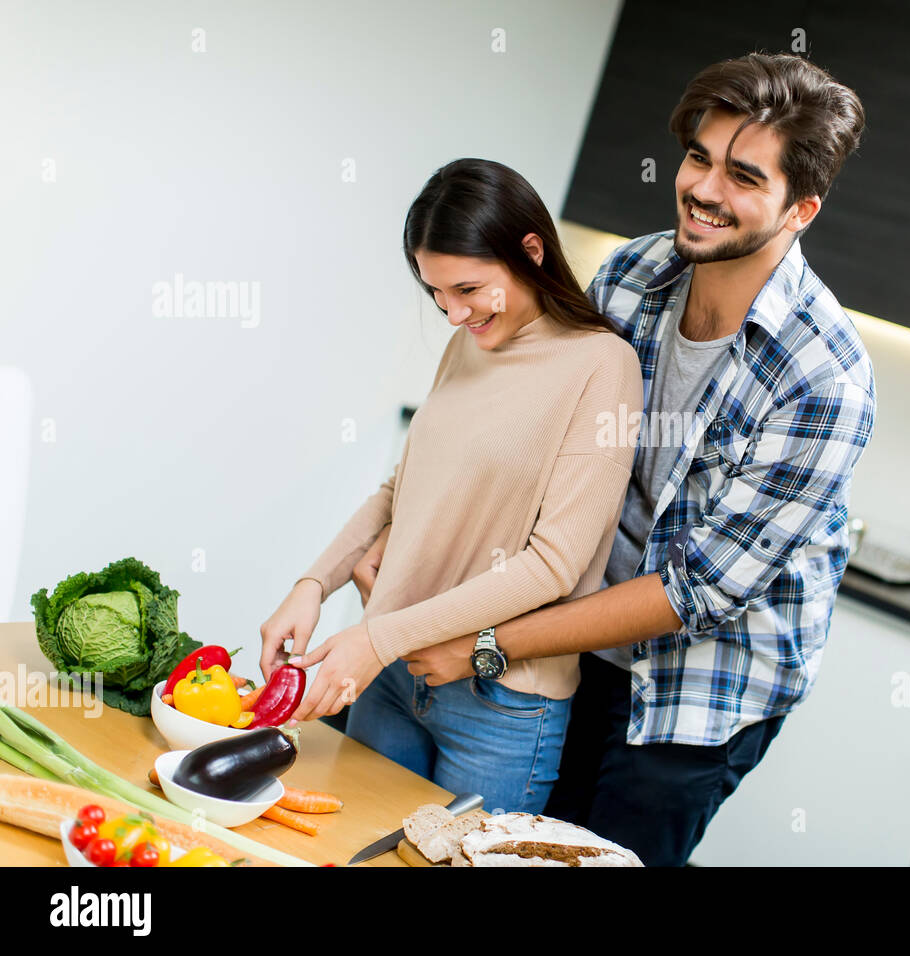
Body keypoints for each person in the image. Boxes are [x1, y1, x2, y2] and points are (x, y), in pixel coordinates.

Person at [362, 51, 875, 865]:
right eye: (699, 158)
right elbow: (534, 435)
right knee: (494, 845)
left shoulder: (824, 379)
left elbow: (694, 591)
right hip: (564, 637)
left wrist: (485, 641)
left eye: (745, 176)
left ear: (800, 208)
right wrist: (406, 540)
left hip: (698, 688)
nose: (705, 190)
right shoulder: (633, 275)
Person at [258, 158, 644, 814]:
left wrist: (377, 639)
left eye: (468, 289)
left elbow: (554, 565)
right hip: (393, 677)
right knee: (352, 852)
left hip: (501, 706)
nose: (453, 313)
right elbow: (399, 489)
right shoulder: (471, 339)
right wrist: (312, 584)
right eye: (438, 295)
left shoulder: (602, 367)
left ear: (530, 251)